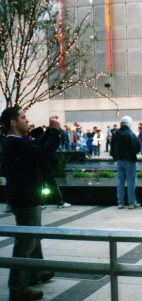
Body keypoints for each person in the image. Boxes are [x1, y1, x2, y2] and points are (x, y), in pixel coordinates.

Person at [1, 106, 60, 301]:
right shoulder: (14, 143)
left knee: (34, 237)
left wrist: (48, 133)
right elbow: (42, 153)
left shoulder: (17, 142)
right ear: (13, 122)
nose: (27, 120)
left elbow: (35, 147)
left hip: (25, 197)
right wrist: (53, 132)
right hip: (25, 200)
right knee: (26, 243)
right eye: (23, 117)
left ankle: (36, 272)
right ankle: (18, 288)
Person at [110, 116, 141, 209]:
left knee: (120, 181)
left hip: (119, 160)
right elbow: (137, 148)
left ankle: (120, 202)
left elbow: (112, 148)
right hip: (129, 160)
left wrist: (115, 157)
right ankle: (132, 202)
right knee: (131, 181)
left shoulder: (115, 134)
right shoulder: (130, 134)